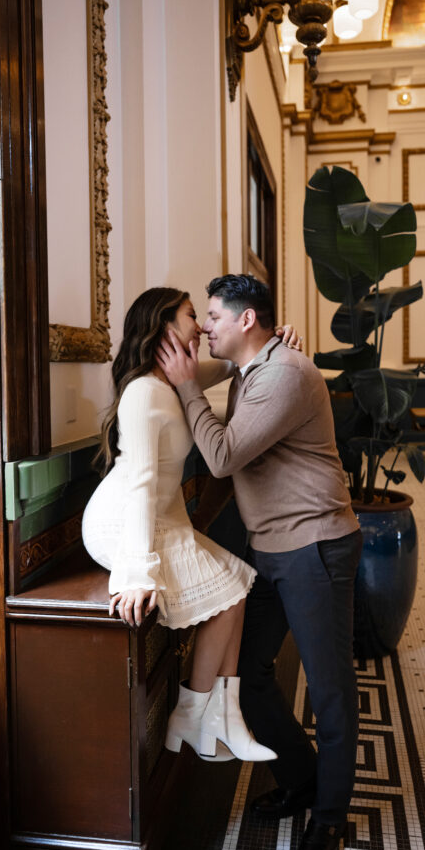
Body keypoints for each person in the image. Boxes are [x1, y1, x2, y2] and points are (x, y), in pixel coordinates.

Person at [157, 274, 363, 850]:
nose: (205, 326)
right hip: (274, 549)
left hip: (317, 548)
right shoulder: (258, 365)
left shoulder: (284, 374)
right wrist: (196, 370)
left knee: (330, 689)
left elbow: (221, 457)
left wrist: (187, 385)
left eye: (214, 316)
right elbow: (236, 375)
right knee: (247, 671)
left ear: (247, 321)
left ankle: (329, 817)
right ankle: (302, 778)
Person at [81, 286, 300, 766]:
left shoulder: (176, 378)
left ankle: (222, 717)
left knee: (239, 586)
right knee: (230, 595)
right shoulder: (143, 392)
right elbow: (139, 481)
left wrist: (272, 341)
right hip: (120, 523)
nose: (201, 325)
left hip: (159, 518)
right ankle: (193, 712)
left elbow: (228, 363)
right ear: (163, 327)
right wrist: (136, 574)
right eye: (190, 315)